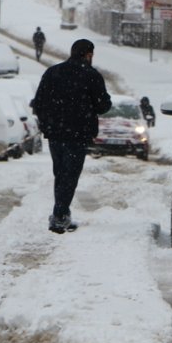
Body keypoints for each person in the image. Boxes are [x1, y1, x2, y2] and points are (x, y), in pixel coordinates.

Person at [31, 39, 111, 234]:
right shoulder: (91, 76)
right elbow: (103, 105)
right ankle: (59, 217)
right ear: (89, 54)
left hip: (55, 134)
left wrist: (47, 122)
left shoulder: (53, 73)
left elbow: (38, 103)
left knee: (61, 173)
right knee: (70, 175)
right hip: (78, 134)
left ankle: (61, 213)